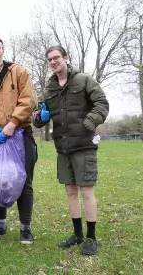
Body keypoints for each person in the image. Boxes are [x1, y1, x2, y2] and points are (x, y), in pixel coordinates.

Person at [34, 45, 109, 255]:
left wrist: (88, 124)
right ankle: (77, 235)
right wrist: (41, 117)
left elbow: (101, 104)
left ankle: (91, 238)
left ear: (66, 58)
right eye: (49, 59)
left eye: (56, 57)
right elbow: (37, 117)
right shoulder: (49, 89)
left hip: (84, 145)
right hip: (63, 147)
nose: (53, 62)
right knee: (70, 191)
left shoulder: (84, 80)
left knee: (86, 191)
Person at [0, 36, 38, 243]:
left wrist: (13, 123)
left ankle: (25, 227)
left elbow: (28, 100)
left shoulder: (19, 72)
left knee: (23, 180)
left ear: (2, 50)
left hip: (20, 134)